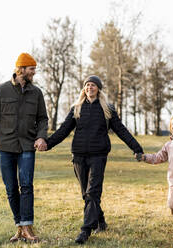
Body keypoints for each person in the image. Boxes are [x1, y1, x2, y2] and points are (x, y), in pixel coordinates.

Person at [43, 75, 144, 244]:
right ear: (84, 88)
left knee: (93, 192)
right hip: (79, 157)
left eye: (93, 85)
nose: (90, 88)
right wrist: (48, 144)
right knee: (87, 194)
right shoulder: (77, 108)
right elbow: (63, 130)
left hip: (98, 156)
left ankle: (86, 230)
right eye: (87, 85)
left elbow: (121, 130)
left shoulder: (107, 109)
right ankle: (101, 221)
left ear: (98, 88)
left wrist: (136, 147)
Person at [0, 53, 48, 243]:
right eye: (31, 69)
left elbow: (42, 118)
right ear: (21, 69)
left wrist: (41, 136)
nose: (34, 72)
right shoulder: (1, 90)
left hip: (27, 146)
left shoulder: (37, 93)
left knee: (26, 186)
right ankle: (20, 226)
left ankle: (27, 226)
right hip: (5, 147)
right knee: (10, 188)